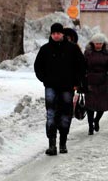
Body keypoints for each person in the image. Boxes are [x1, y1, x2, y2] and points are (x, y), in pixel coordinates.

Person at [34, 22, 87, 156]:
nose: (56, 36)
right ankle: (52, 144)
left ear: (62, 34)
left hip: (67, 86)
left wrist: (77, 82)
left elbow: (82, 66)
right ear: (51, 35)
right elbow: (38, 66)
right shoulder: (45, 49)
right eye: (54, 33)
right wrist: (44, 79)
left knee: (66, 113)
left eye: (58, 33)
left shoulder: (72, 49)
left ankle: (62, 142)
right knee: (51, 114)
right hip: (51, 86)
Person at [83, 33, 108, 135]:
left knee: (102, 106)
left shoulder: (107, 53)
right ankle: (90, 127)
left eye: (100, 43)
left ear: (103, 44)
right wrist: (81, 81)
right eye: (96, 43)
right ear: (93, 43)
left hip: (103, 82)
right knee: (90, 106)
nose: (98, 45)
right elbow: (82, 67)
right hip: (90, 81)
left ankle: (96, 120)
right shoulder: (88, 52)